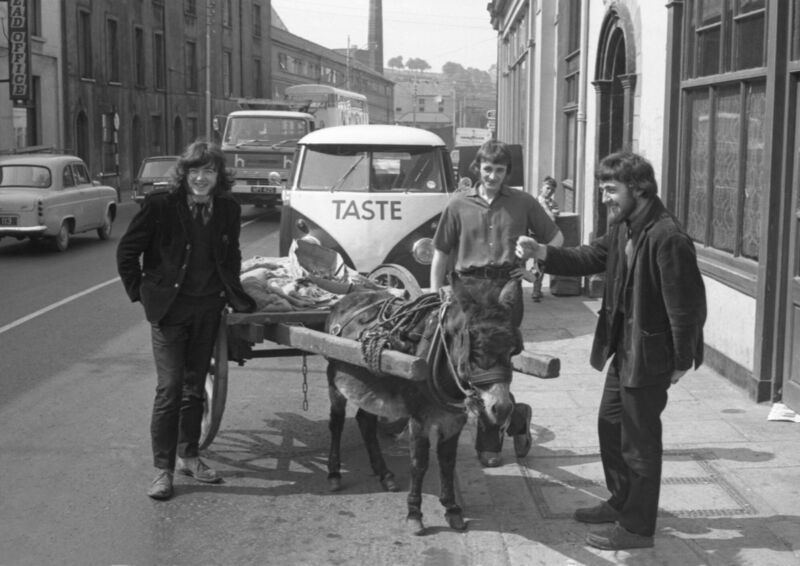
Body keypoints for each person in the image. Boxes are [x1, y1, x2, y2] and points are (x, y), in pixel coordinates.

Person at [516, 151, 706, 550]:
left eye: (610, 189)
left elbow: (687, 306)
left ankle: (637, 529)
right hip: (625, 349)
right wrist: (541, 253)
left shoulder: (666, 236)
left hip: (651, 357)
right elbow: (590, 257)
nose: (605, 197)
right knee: (610, 425)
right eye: (603, 189)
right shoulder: (625, 226)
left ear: (638, 188)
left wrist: (681, 360)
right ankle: (621, 502)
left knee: (640, 444)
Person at [117, 140, 256, 500]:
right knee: (170, 388)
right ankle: (162, 470)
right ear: (185, 173)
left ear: (218, 176)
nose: (200, 178)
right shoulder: (161, 206)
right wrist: (144, 294)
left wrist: (232, 293)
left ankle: (189, 456)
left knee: (195, 386)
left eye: (208, 171)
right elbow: (127, 252)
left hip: (208, 308)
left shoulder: (227, 208)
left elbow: (232, 254)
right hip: (170, 312)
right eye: (194, 171)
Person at [430, 139, 563, 468]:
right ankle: (515, 416)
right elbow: (441, 251)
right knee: (461, 360)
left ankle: (489, 443)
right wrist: (436, 292)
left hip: (506, 291)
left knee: (493, 364)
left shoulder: (523, 202)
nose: (492, 176)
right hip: (466, 289)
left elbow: (556, 239)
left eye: (499, 170)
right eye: (487, 169)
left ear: (507, 172)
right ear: (478, 168)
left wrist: (532, 266)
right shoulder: (458, 203)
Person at [531, 176, 560, 301]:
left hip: (547, 236)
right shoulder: (534, 201)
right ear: (541, 188)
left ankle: (537, 288)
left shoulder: (554, 204)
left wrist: (545, 206)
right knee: (538, 262)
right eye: (547, 188)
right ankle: (536, 290)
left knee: (541, 263)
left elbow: (553, 218)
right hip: (534, 235)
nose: (549, 192)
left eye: (552, 190)